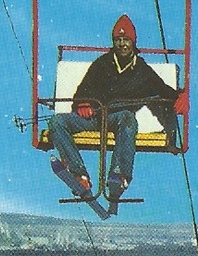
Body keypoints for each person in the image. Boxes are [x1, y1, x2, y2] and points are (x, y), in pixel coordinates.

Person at [44, 14, 188, 203]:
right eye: (118, 40)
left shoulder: (142, 71)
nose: (122, 44)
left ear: (133, 42)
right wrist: (83, 104)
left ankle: (119, 175)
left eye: (125, 40)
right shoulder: (102, 64)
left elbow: (162, 92)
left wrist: (181, 96)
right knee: (57, 122)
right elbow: (83, 89)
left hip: (117, 119)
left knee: (127, 117)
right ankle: (79, 175)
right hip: (94, 118)